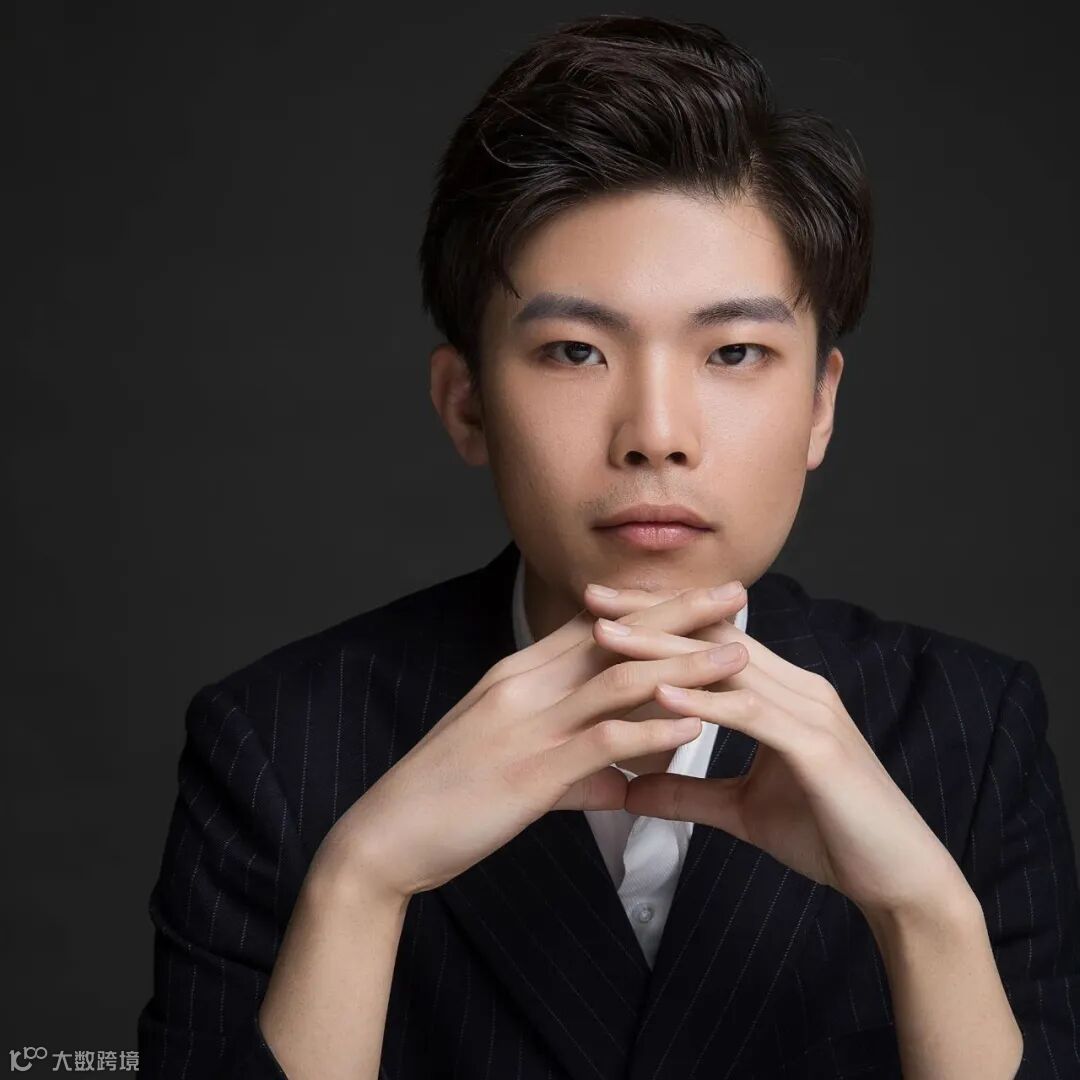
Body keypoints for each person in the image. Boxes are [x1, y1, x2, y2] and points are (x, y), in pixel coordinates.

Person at [136, 14, 1080, 1079]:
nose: (656, 435)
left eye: (735, 351)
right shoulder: (277, 745)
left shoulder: (969, 734)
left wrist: (925, 916)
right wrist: (360, 880)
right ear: (466, 404)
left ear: (821, 405)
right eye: (576, 351)